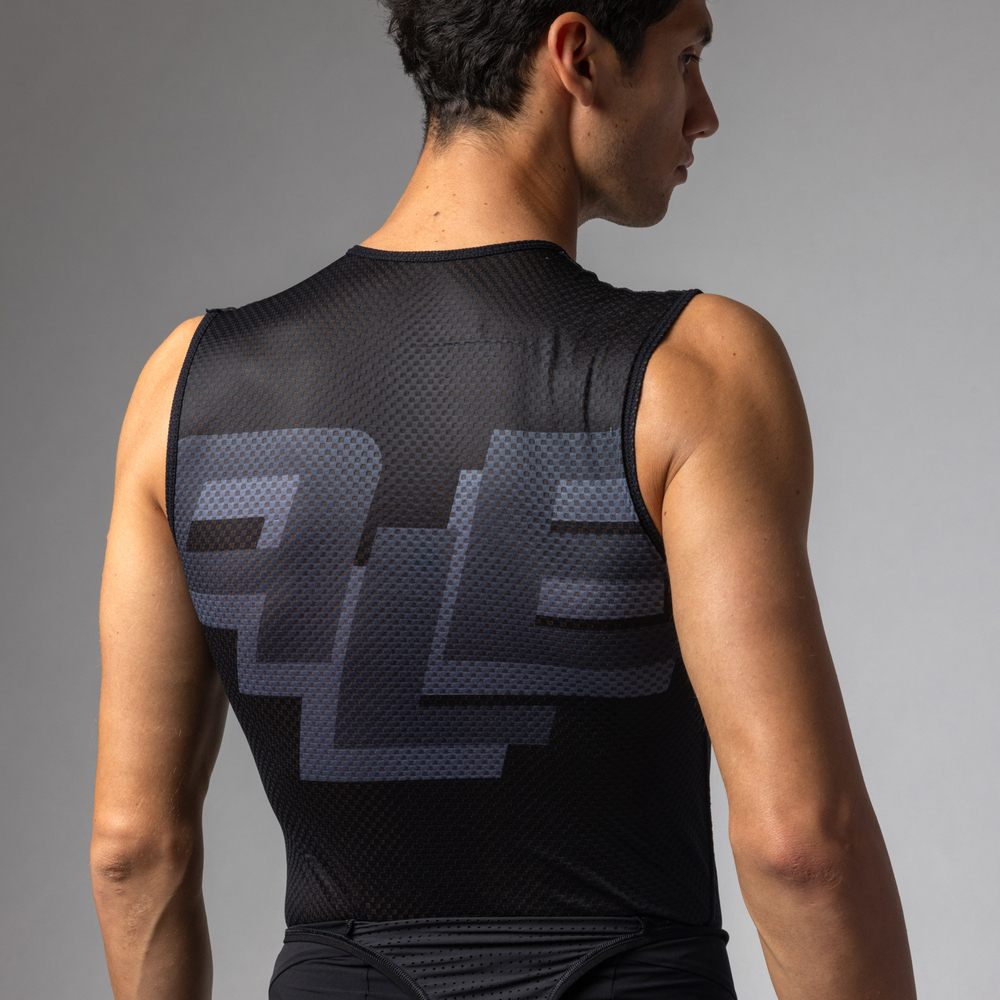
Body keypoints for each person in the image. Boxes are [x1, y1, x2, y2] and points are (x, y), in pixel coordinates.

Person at [91, 1, 918, 998]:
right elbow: (801, 850)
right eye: (686, 56)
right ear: (578, 56)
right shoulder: (693, 373)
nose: (703, 112)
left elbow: (133, 849)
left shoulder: (185, 388)